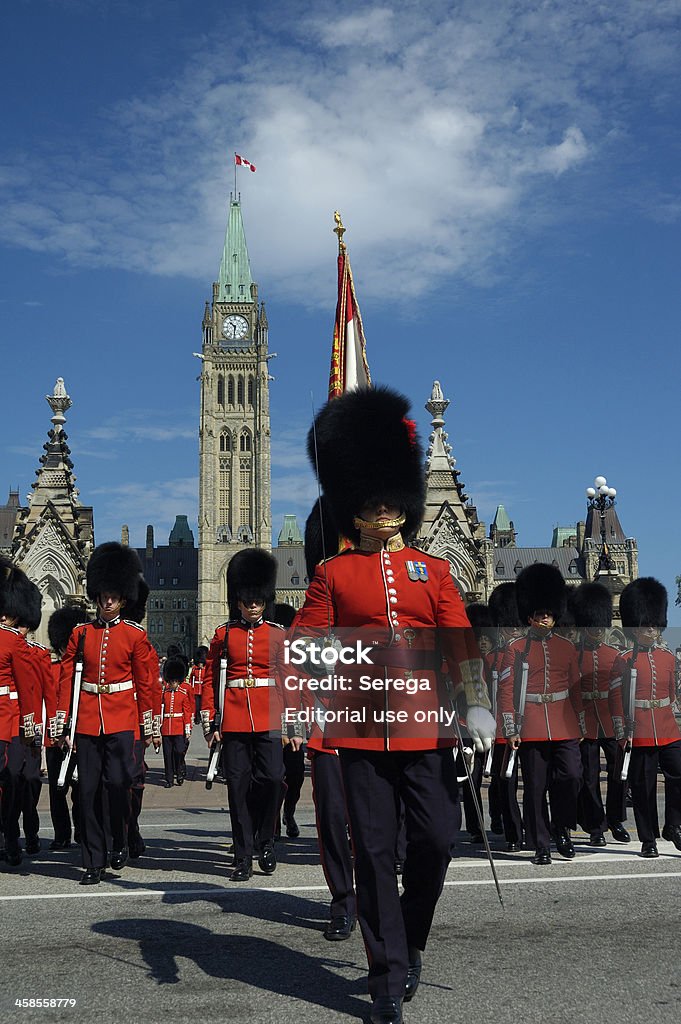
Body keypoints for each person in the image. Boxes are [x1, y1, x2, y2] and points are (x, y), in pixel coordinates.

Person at [293, 386, 495, 1024]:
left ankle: (411, 938)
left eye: (389, 497)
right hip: (359, 730)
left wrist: (479, 704)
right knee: (375, 851)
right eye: (371, 498)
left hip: (425, 726)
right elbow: (305, 639)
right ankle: (386, 978)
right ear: (356, 506)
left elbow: (459, 639)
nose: (381, 508)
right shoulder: (334, 574)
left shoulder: (430, 573)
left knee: (435, 840)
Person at [57, 542, 157, 885]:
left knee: (118, 784)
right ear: (97, 596)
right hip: (87, 719)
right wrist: (62, 720)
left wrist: (149, 723)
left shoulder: (135, 637)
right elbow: (66, 681)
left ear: (123, 598)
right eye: (103, 595)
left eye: (114, 595)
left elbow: (146, 684)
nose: (108, 601)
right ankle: (92, 861)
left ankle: (119, 836)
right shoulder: (80, 635)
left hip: (121, 719)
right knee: (87, 792)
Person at [201, 549, 301, 882]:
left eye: (258, 600)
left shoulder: (277, 634)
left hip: (270, 716)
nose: (253, 605)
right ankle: (243, 853)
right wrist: (210, 718)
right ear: (239, 600)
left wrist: (293, 721)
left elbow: (289, 679)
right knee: (238, 787)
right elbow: (210, 676)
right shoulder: (224, 634)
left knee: (272, 779)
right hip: (234, 718)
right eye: (247, 600)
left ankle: (266, 841)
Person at [499, 563, 585, 866]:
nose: (543, 617)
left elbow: (576, 688)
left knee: (572, 776)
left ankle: (562, 828)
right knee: (535, 787)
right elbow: (507, 691)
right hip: (531, 722)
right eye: (538, 614)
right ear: (529, 615)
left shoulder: (566, 647)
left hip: (564, 722)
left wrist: (582, 721)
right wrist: (511, 728)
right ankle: (541, 844)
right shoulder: (516, 648)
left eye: (547, 613)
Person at [609, 578, 681, 858]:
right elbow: (615, 700)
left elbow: (673, 693)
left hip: (666, 726)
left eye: (654, 623)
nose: (651, 628)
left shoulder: (667, 658)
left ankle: (673, 825)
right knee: (643, 786)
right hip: (636, 729)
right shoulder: (623, 659)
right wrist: (621, 732)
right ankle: (648, 838)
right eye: (645, 624)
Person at [569, 582, 629, 846]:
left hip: (610, 720)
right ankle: (596, 825)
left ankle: (615, 818)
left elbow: (624, 692)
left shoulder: (615, 655)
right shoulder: (574, 655)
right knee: (589, 777)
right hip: (586, 723)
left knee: (619, 773)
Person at [0, 560, 42, 867]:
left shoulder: (13, 641)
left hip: (9, 719)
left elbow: (28, 688)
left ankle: (11, 836)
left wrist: (29, 725)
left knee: (12, 778)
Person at [487, 583, 525, 852]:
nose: (513, 630)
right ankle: (514, 833)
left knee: (538, 785)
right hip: (504, 728)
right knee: (506, 782)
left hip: (536, 727)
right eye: (509, 625)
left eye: (516, 625)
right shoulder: (493, 658)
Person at [46, 605, 88, 849]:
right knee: (56, 790)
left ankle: (81, 830)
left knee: (82, 789)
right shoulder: (51, 669)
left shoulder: (82, 672)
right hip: (56, 737)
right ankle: (61, 833)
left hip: (79, 736)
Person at [160, 656, 193, 787]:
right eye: (171, 681)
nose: (173, 683)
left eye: (175, 681)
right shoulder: (165, 693)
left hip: (179, 727)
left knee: (179, 751)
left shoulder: (183, 694)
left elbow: (187, 712)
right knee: (167, 755)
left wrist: (187, 728)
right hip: (167, 727)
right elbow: (161, 710)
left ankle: (179, 770)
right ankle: (169, 779)